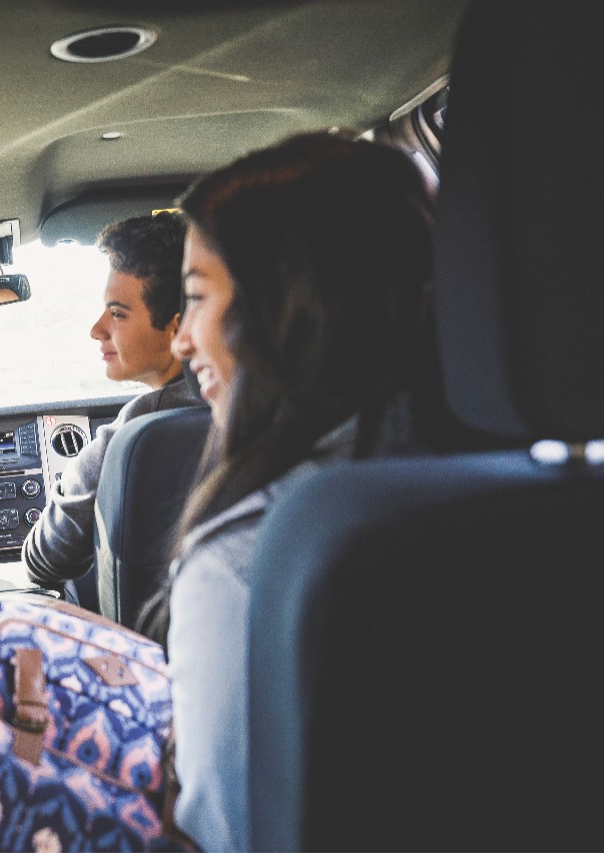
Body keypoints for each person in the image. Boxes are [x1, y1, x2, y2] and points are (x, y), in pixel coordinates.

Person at [155, 131, 437, 851]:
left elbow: (225, 833)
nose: (182, 340)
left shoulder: (247, 560)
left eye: (194, 298)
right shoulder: (542, 502)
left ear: (283, 303)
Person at [21, 211, 202, 585]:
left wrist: (79, 472)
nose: (96, 330)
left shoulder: (135, 431)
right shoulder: (259, 405)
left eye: (117, 313)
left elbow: (43, 561)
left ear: (176, 326)